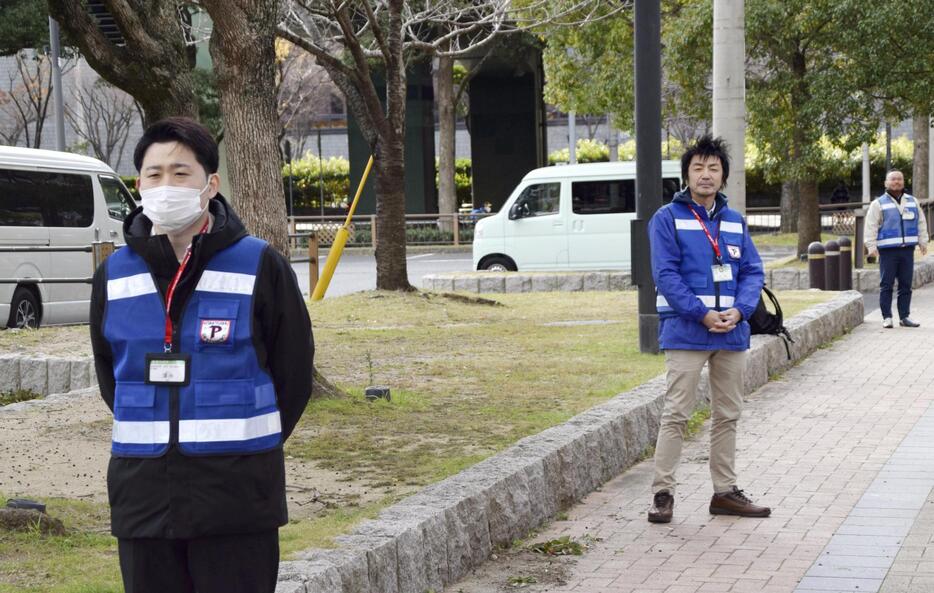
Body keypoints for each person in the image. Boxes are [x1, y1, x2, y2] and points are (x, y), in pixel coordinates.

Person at [89, 117, 313, 593]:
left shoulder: (258, 264)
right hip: (143, 498)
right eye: (154, 174)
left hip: (236, 497)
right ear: (138, 185)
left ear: (210, 184)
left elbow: (293, 376)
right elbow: (111, 375)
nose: (165, 185)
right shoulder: (113, 274)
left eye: (180, 172)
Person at [646, 135, 770, 524]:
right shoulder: (666, 218)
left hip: (731, 333)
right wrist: (701, 314)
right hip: (686, 331)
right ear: (686, 174)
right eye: (698, 167)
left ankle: (725, 492)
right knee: (677, 414)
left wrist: (741, 309)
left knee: (728, 413)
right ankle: (662, 494)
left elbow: (752, 271)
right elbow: (665, 274)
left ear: (723, 176)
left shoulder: (734, 221)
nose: (705, 174)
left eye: (713, 168)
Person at [864, 169, 928, 328]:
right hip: (887, 251)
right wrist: (871, 246)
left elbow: (921, 222)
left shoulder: (913, 201)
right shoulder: (878, 203)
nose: (896, 182)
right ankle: (887, 317)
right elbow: (870, 226)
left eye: (899, 179)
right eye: (893, 179)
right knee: (887, 284)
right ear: (886, 183)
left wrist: (923, 241)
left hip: (907, 250)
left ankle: (904, 317)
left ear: (903, 182)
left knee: (906, 284)